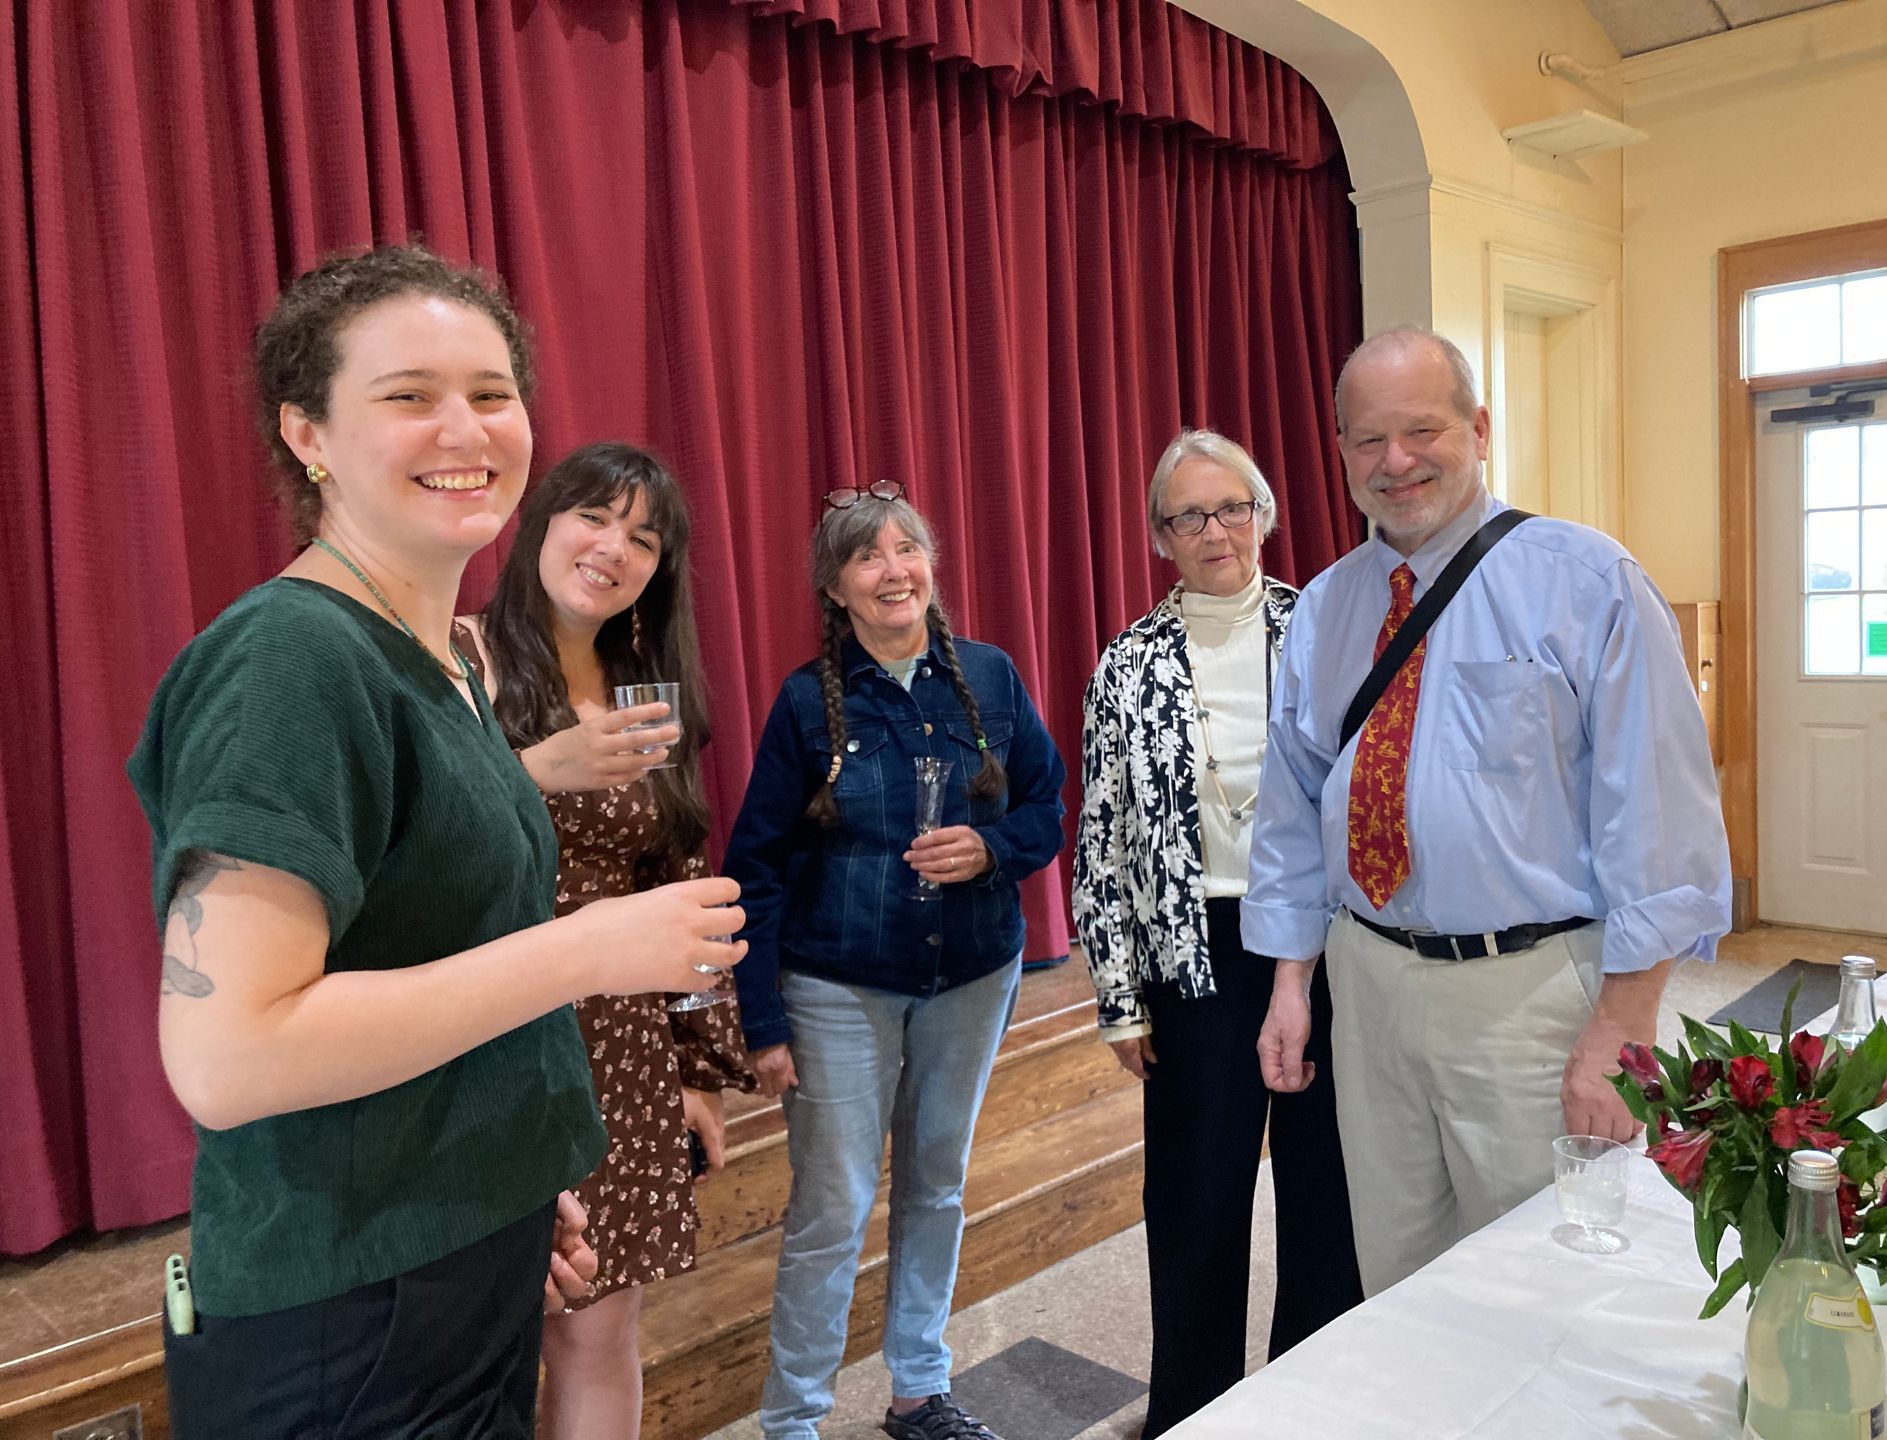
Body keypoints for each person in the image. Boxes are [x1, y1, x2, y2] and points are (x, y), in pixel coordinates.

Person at [126, 245, 745, 1439]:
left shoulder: (441, 662)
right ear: (308, 432)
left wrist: (506, 1183)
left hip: (448, 1260)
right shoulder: (289, 662)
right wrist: (590, 951)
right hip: (345, 1317)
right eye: (408, 395)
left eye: (492, 391)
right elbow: (229, 1058)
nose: (464, 427)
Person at [1244, 326, 1732, 1296]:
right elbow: (1293, 812)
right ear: (1338, 453)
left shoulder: (1587, 583)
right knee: (1399, 1276)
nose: (1396, 463)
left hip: (1530, 996)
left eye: (1421, 430)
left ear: (1479, 426)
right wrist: (1292, 983)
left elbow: (1662, 825)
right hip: (1369, 985)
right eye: (1366, 441)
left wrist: (1621, 1029)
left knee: (1547, 1280)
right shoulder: (1326, 610)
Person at [724, 482, 1066, 1440]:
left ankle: (919, 1390)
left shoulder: (991, 678)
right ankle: (791, 1421)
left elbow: (1046, 806)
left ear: (931, 566)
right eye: (867, 557)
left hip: (972, 973)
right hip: (838, 985)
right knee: (832, 1208)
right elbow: (755, 866)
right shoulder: (805, 704)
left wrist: (993, 850)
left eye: (906, 549)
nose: (893, 570)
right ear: (836, 587)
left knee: (937, 1183)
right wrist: (764, 1018)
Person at [454, 441, 758, 1439]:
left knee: (600, 1335)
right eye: (594, 516)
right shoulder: (457, 659)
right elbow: (414, 849)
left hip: (622, 1053)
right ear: (540, 519)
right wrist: (538, 769)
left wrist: (699, 1068)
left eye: (644, 536)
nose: (613, 547)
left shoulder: (647, 687)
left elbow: (681, 882)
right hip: (484, 1037)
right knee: (480, 1346)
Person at [1072, 429, 1362, 1437]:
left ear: (1263, 515)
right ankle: (1192, 1415)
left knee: (1327, 1193)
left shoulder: (1322, 627)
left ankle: (1313, 1401)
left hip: (1319, 948)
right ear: (1160, 536)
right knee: (1197, 1204)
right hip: (1191, 954)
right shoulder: (1129, 661)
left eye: (1231, 507)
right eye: (1188, 515)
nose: (1214, 531)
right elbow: (1099, 837)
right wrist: (1118, 996)